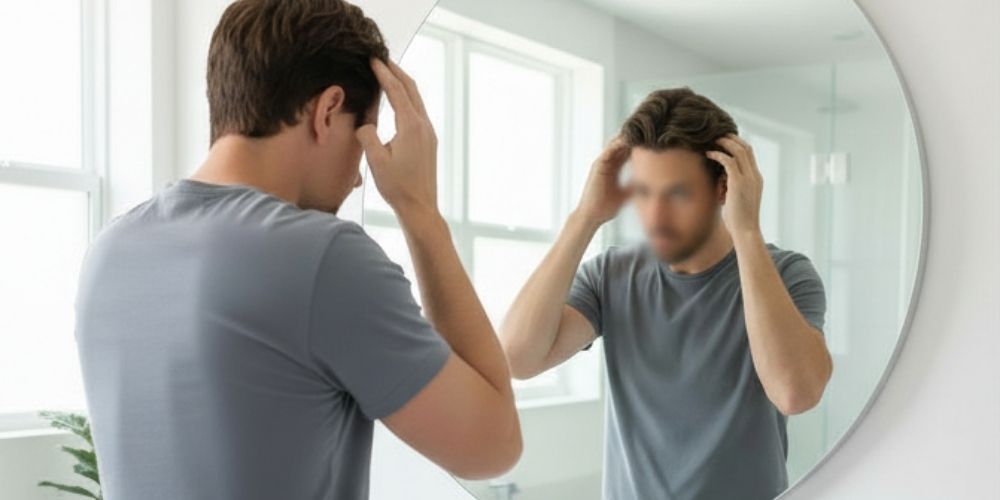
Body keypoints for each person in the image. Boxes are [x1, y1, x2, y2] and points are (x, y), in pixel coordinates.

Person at [74, 1, 521, 499]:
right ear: (328, 110)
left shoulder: (109, 250)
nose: (358, 176)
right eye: (366, 135)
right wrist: (420, 211)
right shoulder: (322, 256)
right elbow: (494, 447)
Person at [500, 88, 833, 500]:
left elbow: (794, 393)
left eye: (677, 194)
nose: (654, 217)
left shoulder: (786, 274)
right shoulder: (611, 274)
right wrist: (585, 216)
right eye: (643, 192)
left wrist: (747, 230)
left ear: (723, 188)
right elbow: (518, 358)